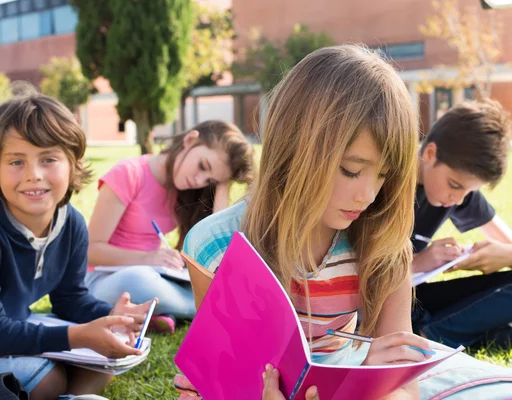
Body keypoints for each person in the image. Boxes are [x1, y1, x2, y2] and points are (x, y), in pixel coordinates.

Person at [176, 44, 429, 400]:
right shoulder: (217, 245)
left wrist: (373, 386)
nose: (369, 195)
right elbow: (221, 375)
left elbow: (404, 388)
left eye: (384, 176)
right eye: (351, 170)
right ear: (295, 148)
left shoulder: (382, 243)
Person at [0, 87, 153, 399]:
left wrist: (111, 317)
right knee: (45, 380)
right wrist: (80, 336)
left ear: (73, 164)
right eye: (16, 162)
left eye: (49, 158)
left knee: (104, 362)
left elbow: (70, 299)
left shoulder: (72, 224)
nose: (34, 175)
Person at [84, 120, 255, 333]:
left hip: (155, 274)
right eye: (202, 166)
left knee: (202, 279)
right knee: (140, 280)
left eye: (209, 179)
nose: (199, 180)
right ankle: (211, 309)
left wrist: (222, 183)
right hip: (103, 280)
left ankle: (158, 313)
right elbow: (90, 251)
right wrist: (147, 258)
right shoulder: (128, 173)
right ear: (190, 140)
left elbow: (218, 242)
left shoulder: (184, 190)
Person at [411, 99, 512, 348]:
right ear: (430, 153)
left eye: (468, 191)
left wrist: (505, 255)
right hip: (384, 307)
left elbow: (506, 241)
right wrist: (417, 263)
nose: (457, 199)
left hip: (419, 302)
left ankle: (438, 335)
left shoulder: (457, 191)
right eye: (455, 186)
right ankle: (429, 338)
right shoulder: (385, 185)